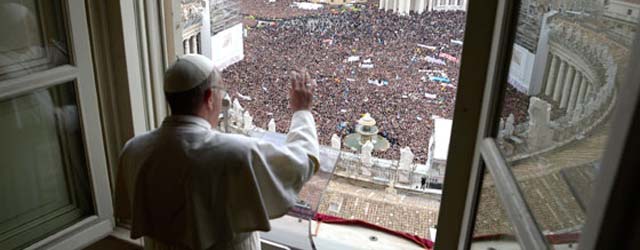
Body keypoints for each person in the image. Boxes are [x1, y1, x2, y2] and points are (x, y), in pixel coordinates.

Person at [115, 54, 319, 250]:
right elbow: (301, 162)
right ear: (209, 97)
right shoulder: (237, 154)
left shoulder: (133, 149)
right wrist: (302, 111)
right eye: (221, 90)